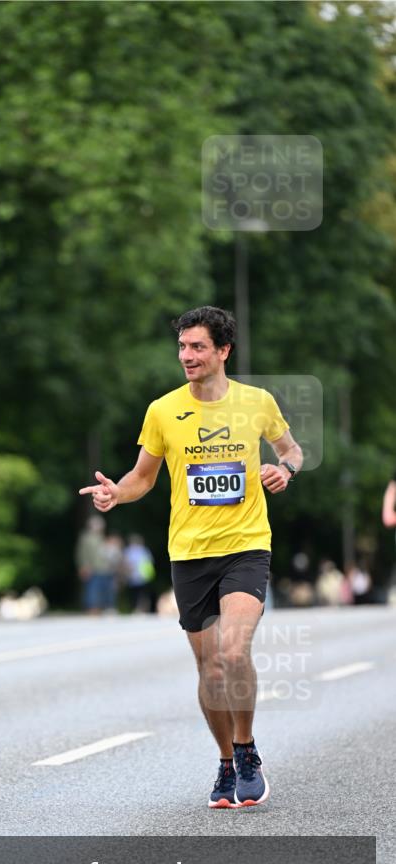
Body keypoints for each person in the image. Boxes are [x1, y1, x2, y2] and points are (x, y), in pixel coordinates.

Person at [79, 305, 302, 808]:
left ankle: (246, 750)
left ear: (223, 350)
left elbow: (292, 450)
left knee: (233, 651)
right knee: (210, 670)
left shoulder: (256, 402)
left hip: (246, 545)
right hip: (189, 553)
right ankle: (225, 761)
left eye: (197, 346)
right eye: (182, 346)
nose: (186, 355)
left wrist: (285, 470)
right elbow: (142, 477)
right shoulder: (163, 411)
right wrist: (117, 493)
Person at [75, 516, 116, 614]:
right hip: (93, 568)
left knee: (105, 589)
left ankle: (105, 607)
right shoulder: (86, 537)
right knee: (92, 590)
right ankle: (92, 608)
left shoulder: (102, 538)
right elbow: (82, 553)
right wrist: (83, 566)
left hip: (105, 568)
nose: (100, 527)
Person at [123, 534, 156, 612]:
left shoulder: (142, 550)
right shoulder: (130, 551)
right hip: (134, 576)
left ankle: (142, 608)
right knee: (135, 593)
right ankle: (136, 608)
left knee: (142, 593)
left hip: (142, 576)